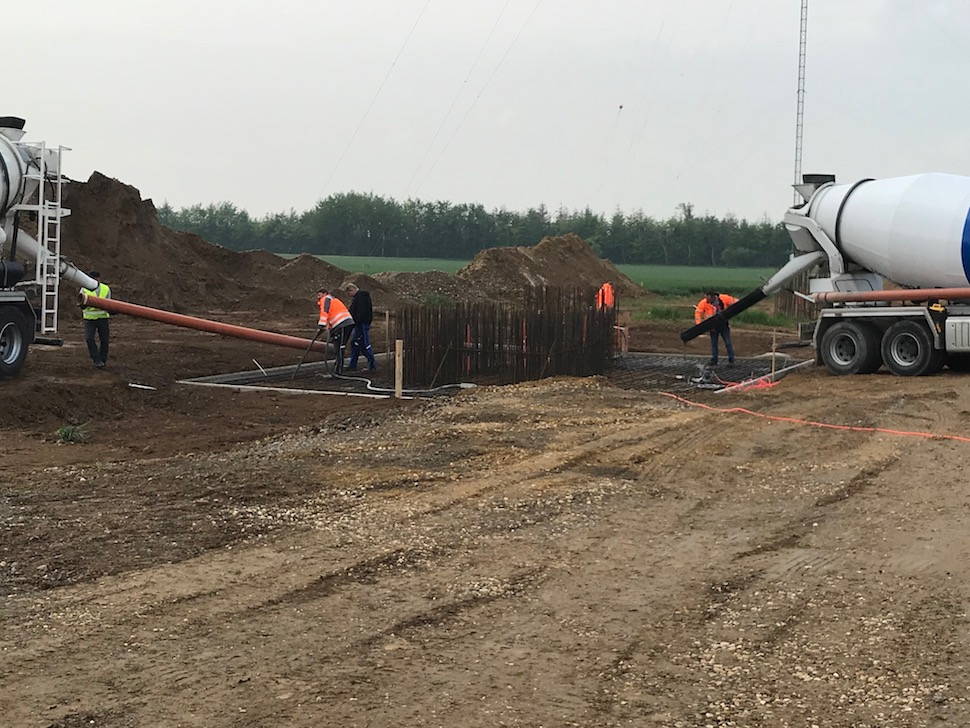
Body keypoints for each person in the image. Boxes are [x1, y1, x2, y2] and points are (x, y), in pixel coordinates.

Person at [316, 287, 354, 375]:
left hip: (342, 324)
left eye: (319, 295)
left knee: (339, 347)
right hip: (345, 324)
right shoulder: (333, 300)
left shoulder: (326, 299)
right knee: (340, 347)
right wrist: (329, 328)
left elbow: (324, 313)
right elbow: (330, 316)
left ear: (324, 293)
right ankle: (338, 369)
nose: (318, 297)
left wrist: (321, 325)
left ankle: (338, 371)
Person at [694, 290, 738, 366]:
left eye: (707, 298)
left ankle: (731, 361)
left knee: (728, 343)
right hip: (713, 326)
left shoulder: (724, 298)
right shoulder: (703, 303)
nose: (706, 300)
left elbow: (736, 302)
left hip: (723, 325)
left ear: (712, 297)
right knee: (714, 344)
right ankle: (714, 360)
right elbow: (698, 313)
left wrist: (733, 309)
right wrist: (699, 325)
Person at [80, 272, 111, 368]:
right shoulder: (84, 289)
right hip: (89, 319)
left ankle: (102, 360)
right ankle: (96, 360)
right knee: (89, 339)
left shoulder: (106, 288)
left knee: (104, 340)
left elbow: (109, 303)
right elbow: (81, 304)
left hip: (103, 318)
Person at [345, 282, 377, 371]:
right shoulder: (359, 297)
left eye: (349, 293)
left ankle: (372, 364)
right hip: (359, 324)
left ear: (352, 290)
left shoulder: (361, 297)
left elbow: (361, 312)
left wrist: (355, 321)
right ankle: (353, 364)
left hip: (362, 324)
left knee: (364, 344)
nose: (349, 295)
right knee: (355, 343)